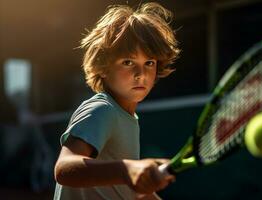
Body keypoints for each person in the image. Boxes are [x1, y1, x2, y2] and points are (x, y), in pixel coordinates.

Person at [53, 2, 180, 200]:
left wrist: (137, 178)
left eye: (149, 63)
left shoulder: (127, 117)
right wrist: (127, 169)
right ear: (103, 66)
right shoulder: (102, 110)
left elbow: (127, 190)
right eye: (128, 62)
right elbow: (64, 168)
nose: (141, 74)